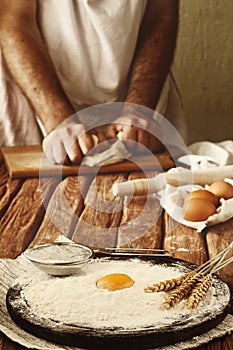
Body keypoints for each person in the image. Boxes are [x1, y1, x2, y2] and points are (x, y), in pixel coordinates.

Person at [0, 0, 185, 164]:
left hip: (138, 91)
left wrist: (138, 109)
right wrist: (59, 120)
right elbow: (15, 20)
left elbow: (161, 16)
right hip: (36, 98)